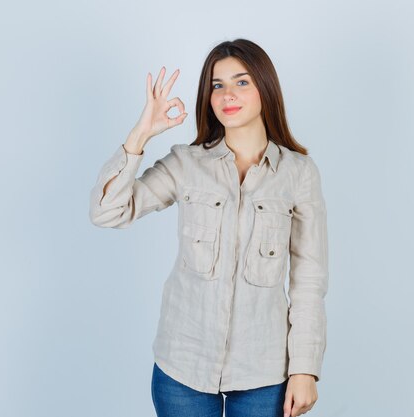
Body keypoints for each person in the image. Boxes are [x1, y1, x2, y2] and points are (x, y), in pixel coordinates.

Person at [89, 39, 329, 417]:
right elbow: (108, 212)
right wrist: (141, 135)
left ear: (265, 87)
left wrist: (305, 368)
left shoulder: (298, 174)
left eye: (241, 82)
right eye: (217, 85)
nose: (227, 95)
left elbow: (309, 279)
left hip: (263, 372)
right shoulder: (186, 164)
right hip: (182, 367)